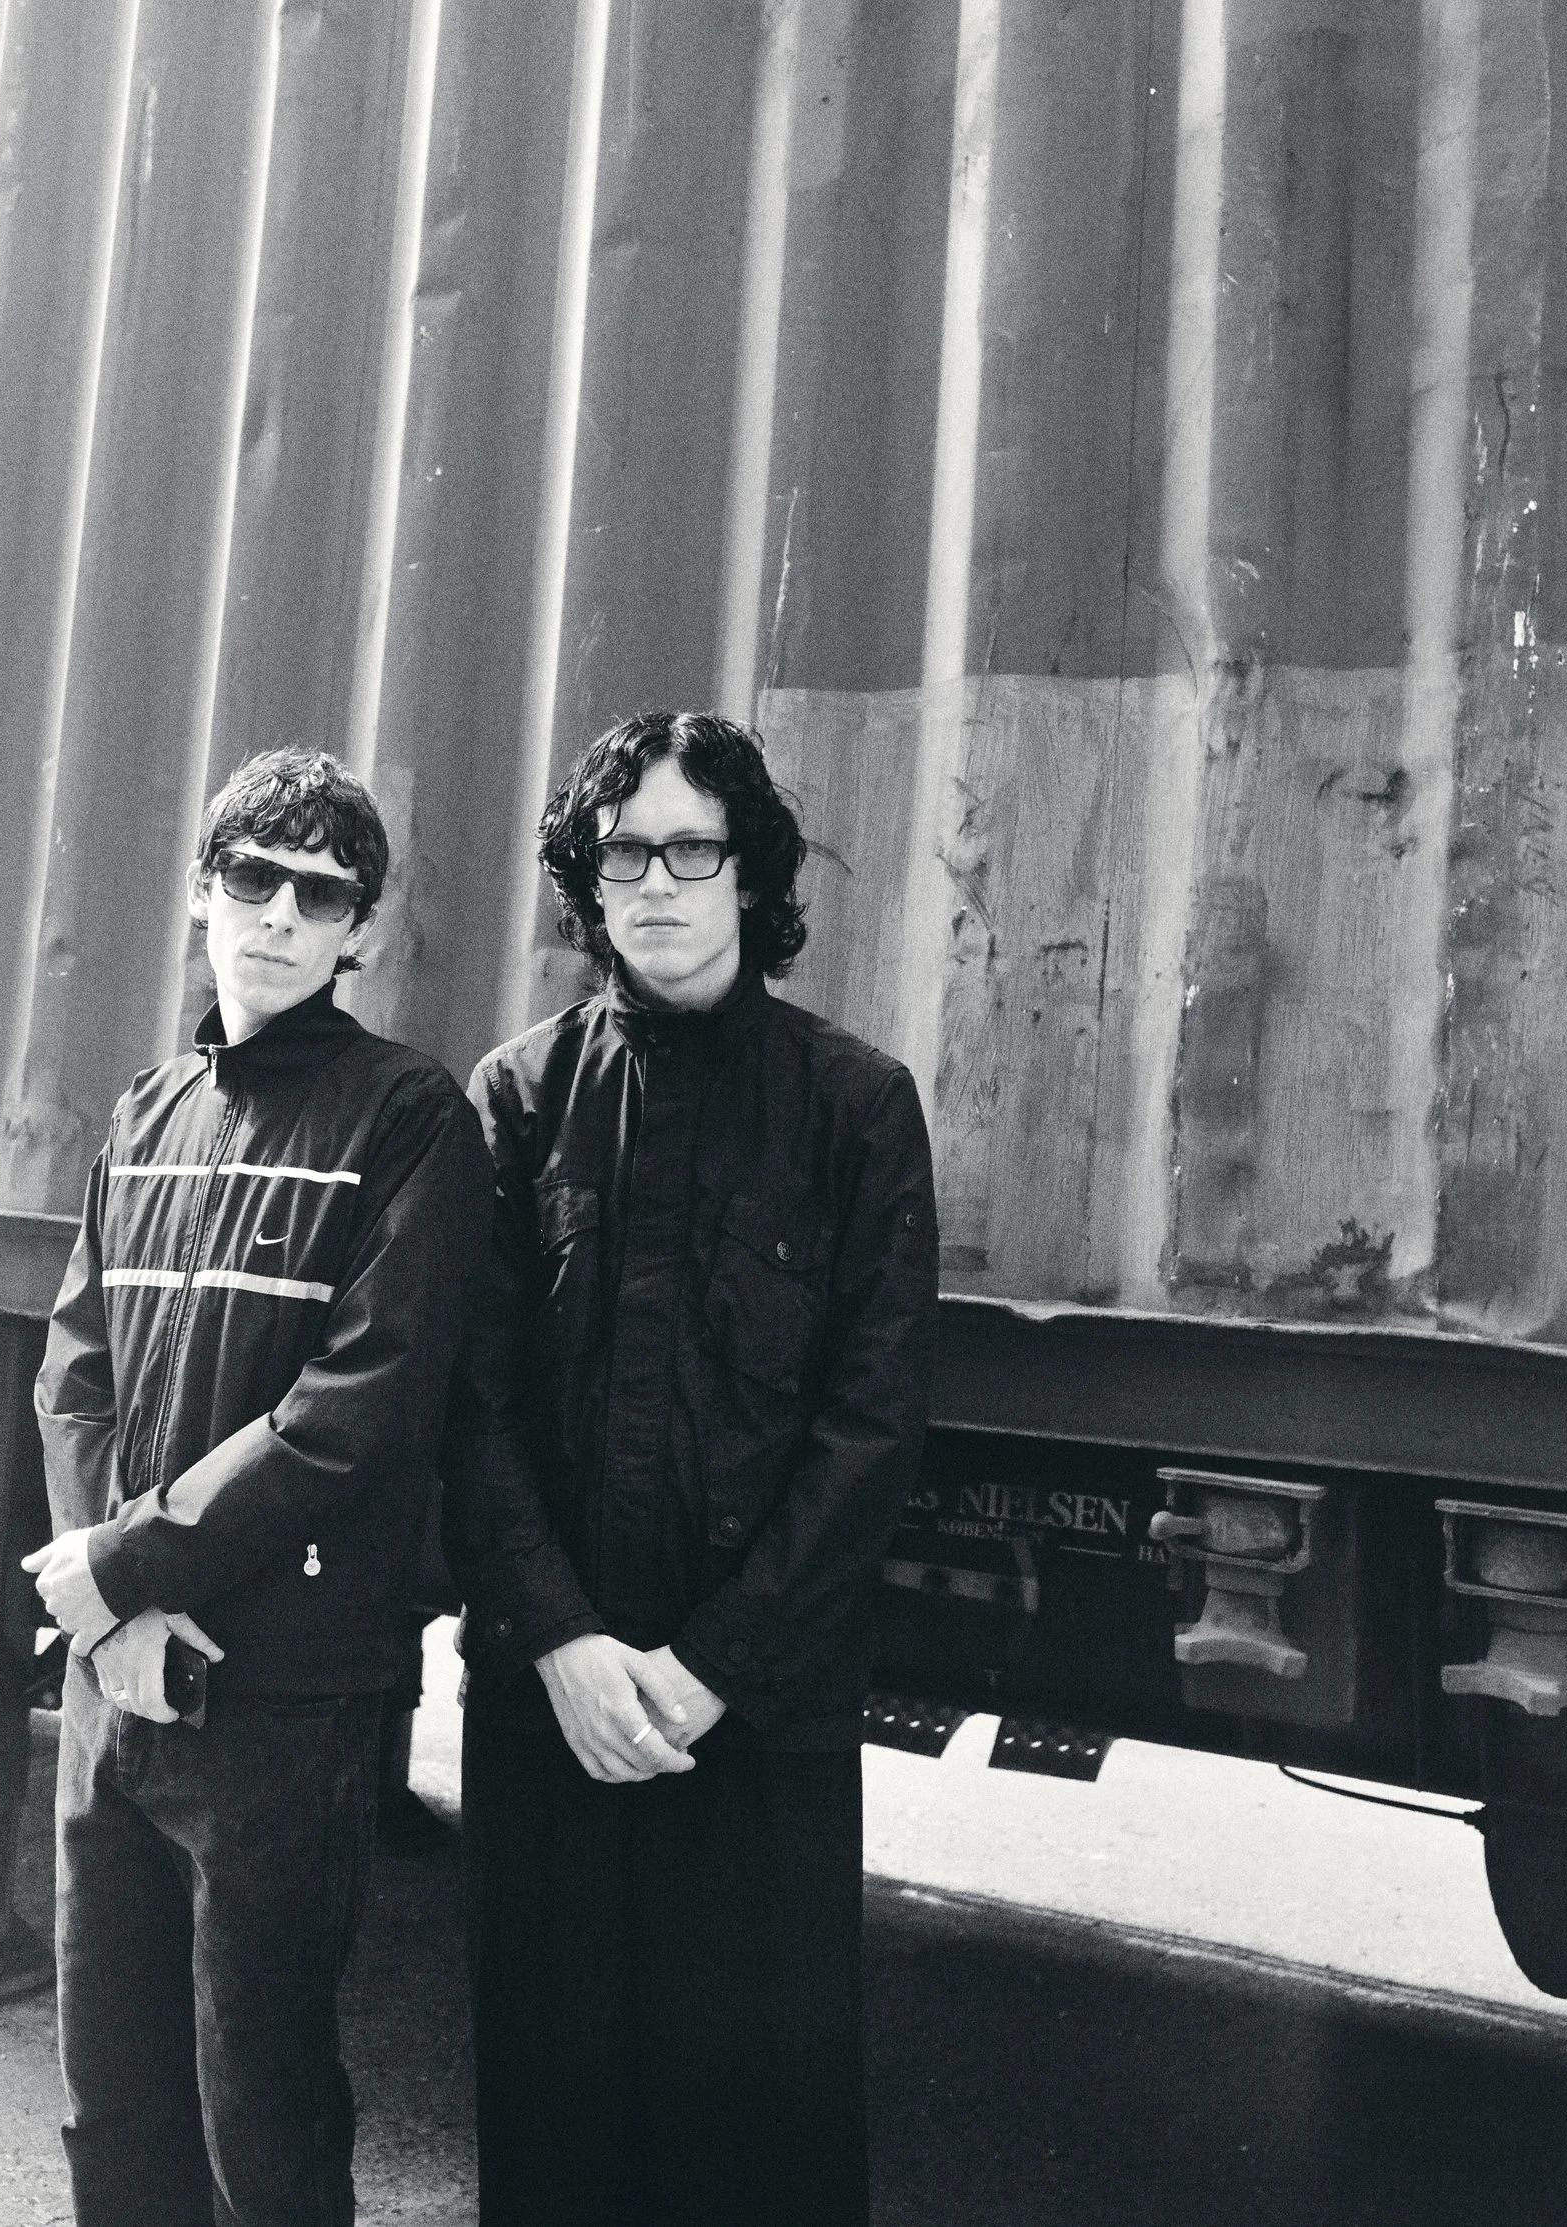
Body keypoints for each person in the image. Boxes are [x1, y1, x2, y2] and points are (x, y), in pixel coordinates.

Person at [441, 710, 938, 2227]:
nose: (654, 881)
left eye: (690, 848)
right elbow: (468, 1404)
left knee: (759, 2148)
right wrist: (566, 1645)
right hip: (554, 1710)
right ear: (589, 884)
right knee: (559, 2128)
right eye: (622, 853)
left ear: (749, 871)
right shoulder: (517, 1098)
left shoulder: (855, 1107)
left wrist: (715, 1664)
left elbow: (874, 1425)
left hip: (758, 1720)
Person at [24, 749, 490, 2227]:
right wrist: (109, 1606)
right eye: (252, 878)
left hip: (281, 1703)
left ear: (360, 930)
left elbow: (350, 1411)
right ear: (200, 894)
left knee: (263, 2120)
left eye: (321, 893)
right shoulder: (143, 1112)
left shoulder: (412, 1119)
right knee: (112, 2102)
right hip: (117, 1692)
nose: (280, 916)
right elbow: (73, 1369)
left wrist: (133, 1575)